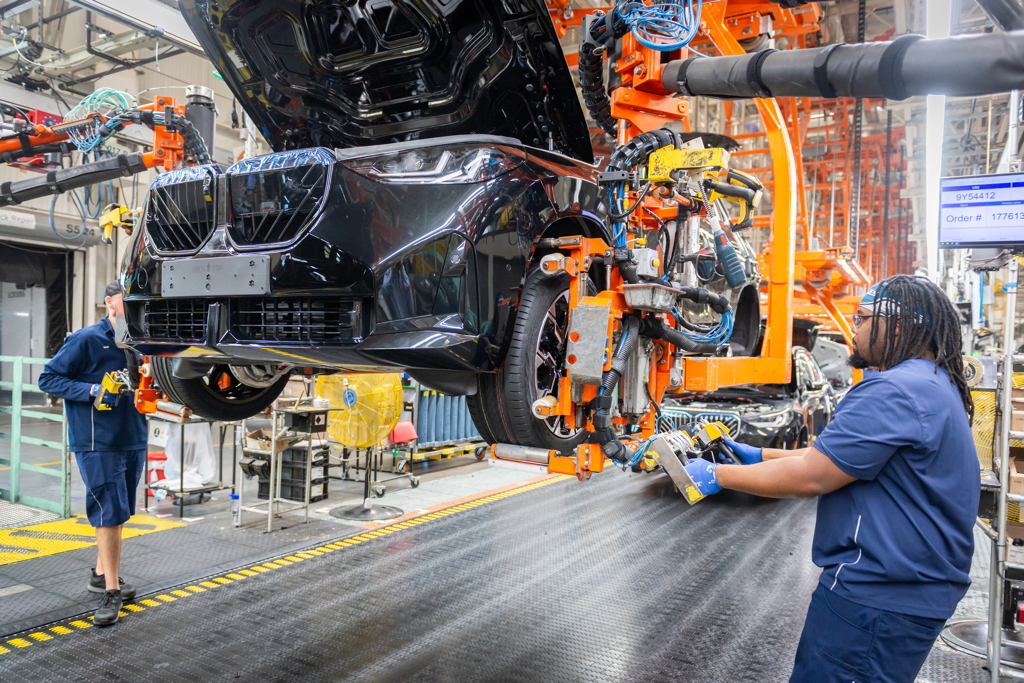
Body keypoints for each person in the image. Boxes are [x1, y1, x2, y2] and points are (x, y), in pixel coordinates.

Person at [683, 275, 979, 683]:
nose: (852, 328)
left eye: (861, 317)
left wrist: (714, 475)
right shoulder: (930, 383)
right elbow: (836, 458)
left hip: (877, 597)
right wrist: (759, 454)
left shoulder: (893, 390)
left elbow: (812, 476)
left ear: (896, 325)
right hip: (909, 591)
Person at [38, 281, 147, 627]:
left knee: (122, 510)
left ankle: (101, 574)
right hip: (97, 442)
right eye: (126, 300)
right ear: (110, 303)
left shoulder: (142, 343)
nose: (132, 307)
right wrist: (91, 389)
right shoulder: (86, 339)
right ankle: (111, 591)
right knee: (109, 514)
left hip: (133, 437)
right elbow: (48, 378)